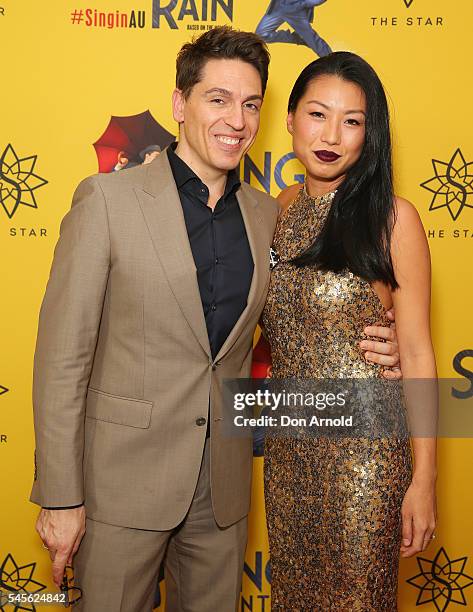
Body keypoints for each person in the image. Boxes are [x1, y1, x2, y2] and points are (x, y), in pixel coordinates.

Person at [30, 28, 401, 611]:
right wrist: (59, 496)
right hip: (120, 490)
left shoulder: (266, 214)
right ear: (180, 104)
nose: (238, 119)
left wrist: (383, 341)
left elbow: (314, 304)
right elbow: (61, 361)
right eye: (218, 99)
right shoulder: (107, 202)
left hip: (221, 499)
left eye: (251, 103)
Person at [261, 52, 437, 609]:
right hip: (290, 454)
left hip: (366, 459)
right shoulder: (276, 210)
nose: (332, 134)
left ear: (371, 133)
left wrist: (424, 478)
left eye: (352, 121)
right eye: (317, 114)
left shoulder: (393, 219)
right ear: (289, 119)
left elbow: (416, 352)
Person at [255, 0, 332, 57]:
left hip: (296, 10)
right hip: (278, 7)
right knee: (261, 34)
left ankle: (330, 58)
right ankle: (300, 39)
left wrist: (303, 4)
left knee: (311, 38)